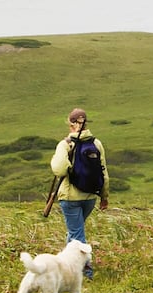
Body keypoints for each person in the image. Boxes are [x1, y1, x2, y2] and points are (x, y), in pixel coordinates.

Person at [50, 108, 107, 278]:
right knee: (75, 230)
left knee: (76, 235)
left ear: (70, 124)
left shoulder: (65, 144)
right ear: (86, 123)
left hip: (70, 198)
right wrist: (104, 197)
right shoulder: (96, 144)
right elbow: (104, 172)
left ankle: (85, 272)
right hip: (90, 197)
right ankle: (66, 266)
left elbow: (59, 170)